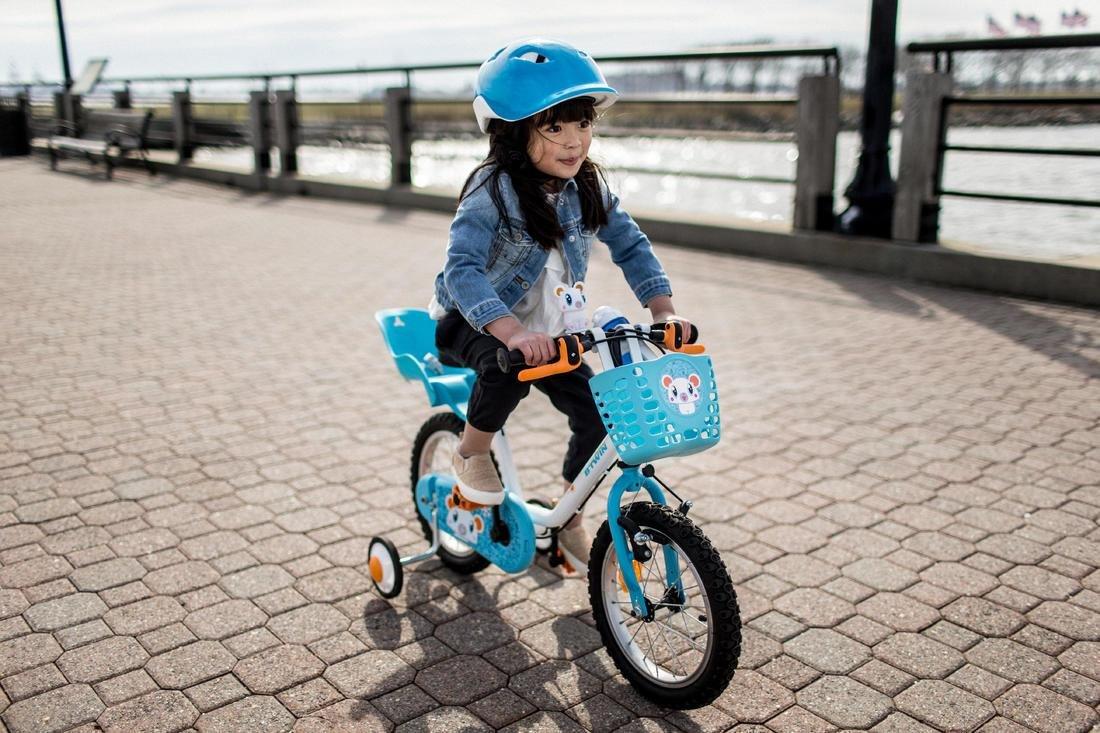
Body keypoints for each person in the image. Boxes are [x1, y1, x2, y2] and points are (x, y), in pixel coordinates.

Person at [429, 38, 692, 568]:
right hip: (473, 323)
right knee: (501, 372)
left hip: (549, 336)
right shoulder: (492, 189)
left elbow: (630, 244)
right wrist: (508, 331)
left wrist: (662, 311)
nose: (574, 142)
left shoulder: (586, 185)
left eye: (583, 124)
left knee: (599, 414)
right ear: (511, 131)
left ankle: (568, 510)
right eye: (554, 127)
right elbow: (463, 270)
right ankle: (471, 453)